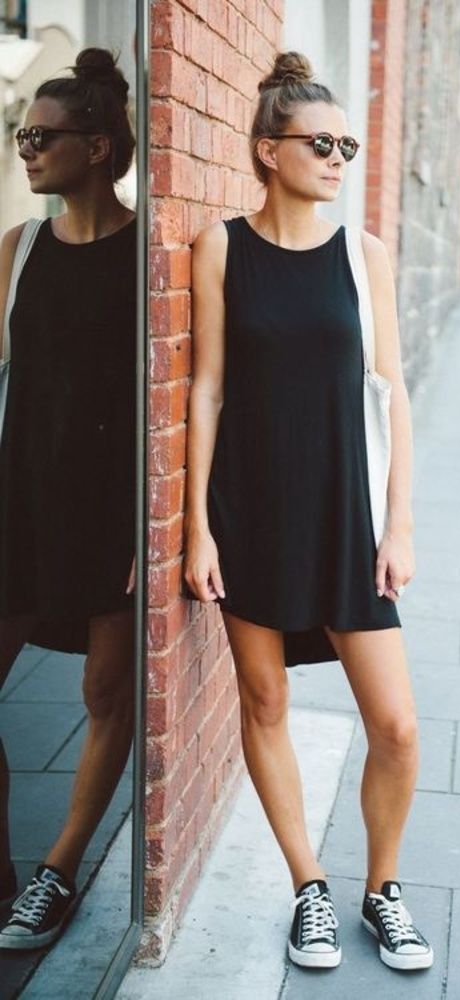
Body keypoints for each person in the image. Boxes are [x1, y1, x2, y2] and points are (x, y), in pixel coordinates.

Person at [184, 51, 433, 971]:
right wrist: (196, 527)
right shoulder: (220, 247)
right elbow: (205, 390)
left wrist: (400, 523)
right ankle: (309, 888)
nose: (337, 157)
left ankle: (382, 890)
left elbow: (391, 390)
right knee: (265, 697)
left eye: (347, 144)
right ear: (266, 151)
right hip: (249, 507)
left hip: (344, 511)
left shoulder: (363, 257)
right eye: (319, 142)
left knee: (397, 726)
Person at [0, 48, 137, 950]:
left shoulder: (149, 259)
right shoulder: (16, 250)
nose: (24, 150)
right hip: (19, 499)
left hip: (113, 510)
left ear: (94, 146)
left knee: (102, 692)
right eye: (19, 135)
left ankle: (59, 870)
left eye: (40, 137)